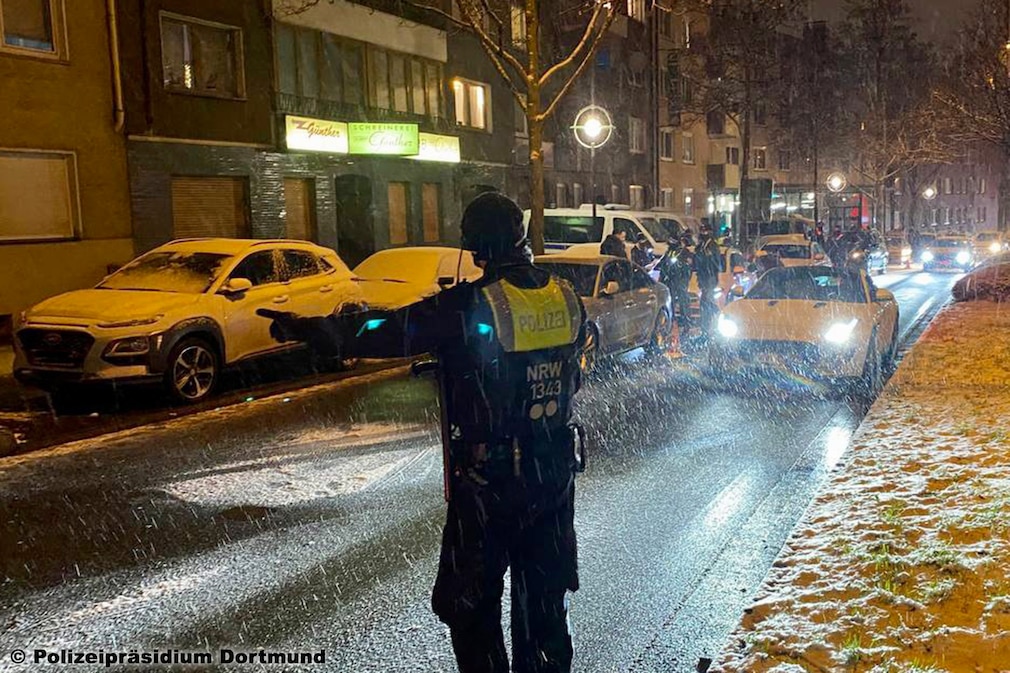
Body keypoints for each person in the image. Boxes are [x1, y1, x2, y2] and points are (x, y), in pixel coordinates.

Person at [260, 193, 588, 673]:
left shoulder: (471, 303)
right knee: (543, 603)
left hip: (490, 482)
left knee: (469, 603)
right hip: (554, 471)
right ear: (520, 237)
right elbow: (573, 370)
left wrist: (315, 330)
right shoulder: (565, 295)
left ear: (475, 247)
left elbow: (388, 328)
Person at [693, 224, 723, 335]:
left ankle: (710, 323)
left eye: (705, 231)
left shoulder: (712, 246)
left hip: (709, 278)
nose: (703, 234)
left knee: (707, 300)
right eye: (702, 231)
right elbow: (698, 261)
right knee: (705, 301)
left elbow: (715, 263)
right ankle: (706, 325)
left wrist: (710, 274)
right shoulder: (701, 246)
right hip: (703, 277)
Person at [657, 237, 693, 328]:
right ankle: (672, 319)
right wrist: (662, 277)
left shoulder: (684, 252)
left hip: (680, 280)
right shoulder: (669, 252)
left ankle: (685, 321)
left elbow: (688, 267)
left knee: (683, 300)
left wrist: (684, 279)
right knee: (671, 301)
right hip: (671, 281)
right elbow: (663, 264)